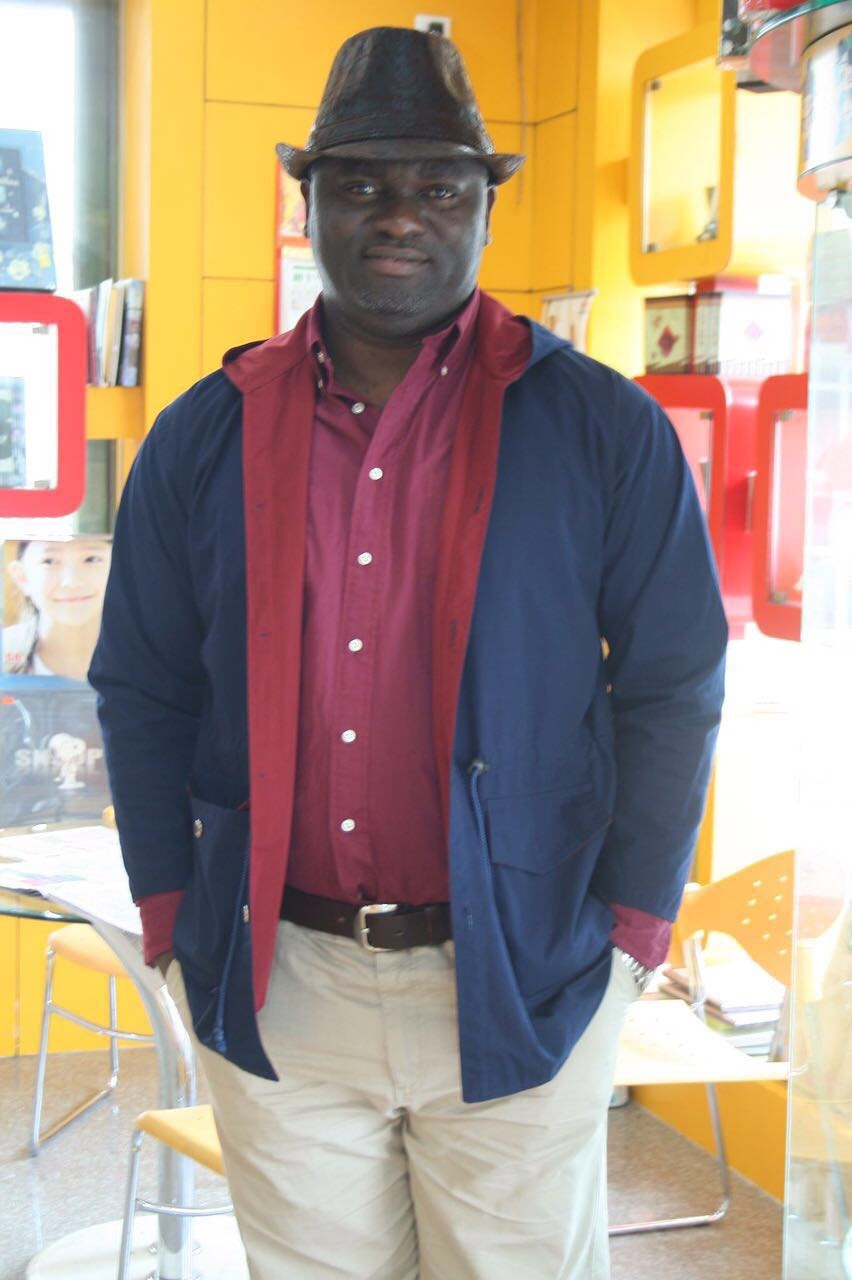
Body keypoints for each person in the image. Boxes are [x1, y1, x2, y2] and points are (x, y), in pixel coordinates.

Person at [90, 26, 727, 1280]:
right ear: (309, 201)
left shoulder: (602, 426)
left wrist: (632, 930)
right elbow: (143, 685)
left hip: (526, 962)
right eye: (362, 184)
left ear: (485, 205)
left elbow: (674, 683)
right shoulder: (205, 434)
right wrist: (170, 911)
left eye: (439, 187)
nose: (399, 215)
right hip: (278, 976)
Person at [4, 536, 112, 678]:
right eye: (49, 561)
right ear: (22, 577)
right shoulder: (5, 649)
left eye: (91, 559)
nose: (72, 583)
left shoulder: (140, 652)